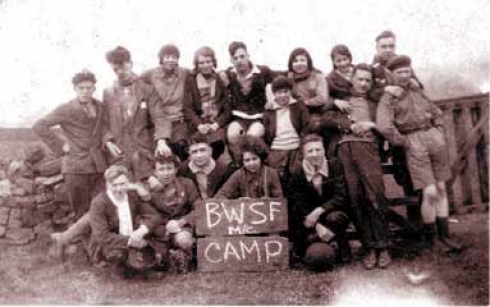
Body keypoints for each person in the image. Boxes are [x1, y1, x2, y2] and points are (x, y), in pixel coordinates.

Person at [376, 55, 463, 254]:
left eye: (407, 71)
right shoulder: (389, 97)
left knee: (441, 188)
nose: (404, 75)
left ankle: (444, 237)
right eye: (400, 72)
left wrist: (438, 131)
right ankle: (431, 240)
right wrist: (404, 141)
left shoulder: (417, 89)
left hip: (433, 140)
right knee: (429, 191)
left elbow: (436, 112)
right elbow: (384, 126)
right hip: (413, 142)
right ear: (391, 73)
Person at [335, 64, 391, 269]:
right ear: (352, 78)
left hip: (367, 147)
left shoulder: (375, 102)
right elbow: (327, 117)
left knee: (375, 195)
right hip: (344, 149)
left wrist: (372, 125)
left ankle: (383, 246)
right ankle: (369, 247)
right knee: (355, 198)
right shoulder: (341, 98)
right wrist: (337, 106)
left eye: (368, 80)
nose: (364, 83)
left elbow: (386, 125)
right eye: (360, 79)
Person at [33, 70, 108, 219]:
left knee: (101, 208)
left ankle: (100, 241)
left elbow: (105, 127)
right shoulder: (66, 109)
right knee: (81, 211)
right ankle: (85, 242)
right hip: (76, 167)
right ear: (75, 88)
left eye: (89, 87)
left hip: (98, 166)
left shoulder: (100, 107)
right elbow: (39, 126)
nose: (85, 91)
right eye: (81, 88)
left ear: (94, 88)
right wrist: (61, 146)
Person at [288, 134, 351, 271]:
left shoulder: (335, 165)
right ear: (303, 154)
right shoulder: (297, 173)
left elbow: (341, 196)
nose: (315, 154)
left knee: (336, 217)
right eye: (310, 151)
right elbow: (298, 204)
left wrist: (320, 210)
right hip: (308, 219)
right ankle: (313, 244)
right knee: (301, 231)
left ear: (324, 150)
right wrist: (317, 225)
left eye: (318, 150)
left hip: (330, 213)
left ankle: (340, 244)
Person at [88, 165, 162, 275]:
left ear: (128, 183)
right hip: (111, 244)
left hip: (133, 238)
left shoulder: (132, 197)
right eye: (114, 185)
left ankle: (142, 265)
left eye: (122, 184)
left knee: (159, 236)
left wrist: (141, 231)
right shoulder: (99, 203)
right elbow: (102, 236)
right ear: (107, 185)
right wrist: (131, 241)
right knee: (118, 258)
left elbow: (154, 216)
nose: (119, 189)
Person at [102, 46, 161, 181]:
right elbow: (103, 122)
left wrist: (162, 140)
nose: (120, 72)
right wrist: (108, 141)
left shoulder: (147, 90)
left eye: (123, 67)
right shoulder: (108, 93)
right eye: (115, 69)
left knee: (148, 189)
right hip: (119, 153)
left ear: (131, 64)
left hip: (143, 151)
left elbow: (159, 117)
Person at [220, 41, 276, 163]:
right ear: (231, 60)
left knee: (252, 137)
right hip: (239, 117)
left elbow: (271, 87)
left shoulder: (263, 72)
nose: (239, 60)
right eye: (235, 58)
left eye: (242, 56)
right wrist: (222, 75)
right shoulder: (229, 74)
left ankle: (258, 163)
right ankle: (239, 164)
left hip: (259, 117)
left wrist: (270, 100)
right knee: (232, 135)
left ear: (248, 56)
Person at [146, 154, 200, 273]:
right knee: (155, 258)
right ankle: (172, 257)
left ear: (176, 169)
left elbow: (199, 209)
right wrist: (163, 228)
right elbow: (145, 214)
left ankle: (186, 256)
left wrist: (181, 222)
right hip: (158, 231)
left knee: (184, 240)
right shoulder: (148, 190)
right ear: (154, 172)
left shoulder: (187, 184)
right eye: (161, 169)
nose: (166, 173)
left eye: (169, 168)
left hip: (182, 228)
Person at [141, 44, 191, 161]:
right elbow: (134, 80)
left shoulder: (184, 73)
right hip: (159, 120)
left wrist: (225, 73)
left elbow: (199, 70)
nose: (171, 60)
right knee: (160, 154)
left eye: (174, 57)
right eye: (167, 57)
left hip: (178, 120)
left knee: (180, 148)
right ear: (161, 58)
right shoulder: (151, 74)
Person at [184, 46, 231, 160]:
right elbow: (188, 108)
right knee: (196, 147)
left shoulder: (219, 79)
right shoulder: (191, 80)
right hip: (198, 123)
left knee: (217, 144)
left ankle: (212, 169)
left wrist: (217, 124)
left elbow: (227, 108)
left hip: (215, 123)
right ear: (196, 64)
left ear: (213, 62)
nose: (205, 65)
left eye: (208, 61)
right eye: (201, 63)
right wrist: (199, 125)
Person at [263, 76, 309, 189]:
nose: (283, 95)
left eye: (285, 91)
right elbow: (268, 132)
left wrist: (302, 147)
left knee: (297, 174)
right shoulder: (270, 110)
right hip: (277, 148)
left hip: (295, 147)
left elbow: (306, 126)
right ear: (274, 94)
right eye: (279, 92)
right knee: (277, 176)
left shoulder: (298, 105)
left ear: (290, 91)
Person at [215, 136, 283, 199]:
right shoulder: (238, 175)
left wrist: (270, 201)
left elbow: (280, 200)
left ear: (261, 158)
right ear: (242, 161)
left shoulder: (271, 173)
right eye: (247, 160)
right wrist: (238, 202)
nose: (252, 163)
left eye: (254, 159)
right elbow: (220, 196)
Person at [177, 133, 236, 200]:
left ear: (210, 151)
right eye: (194, 152)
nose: (199, 155)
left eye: (202, 150)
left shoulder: (225, 170)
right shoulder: (183, 170)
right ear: (189, 154)